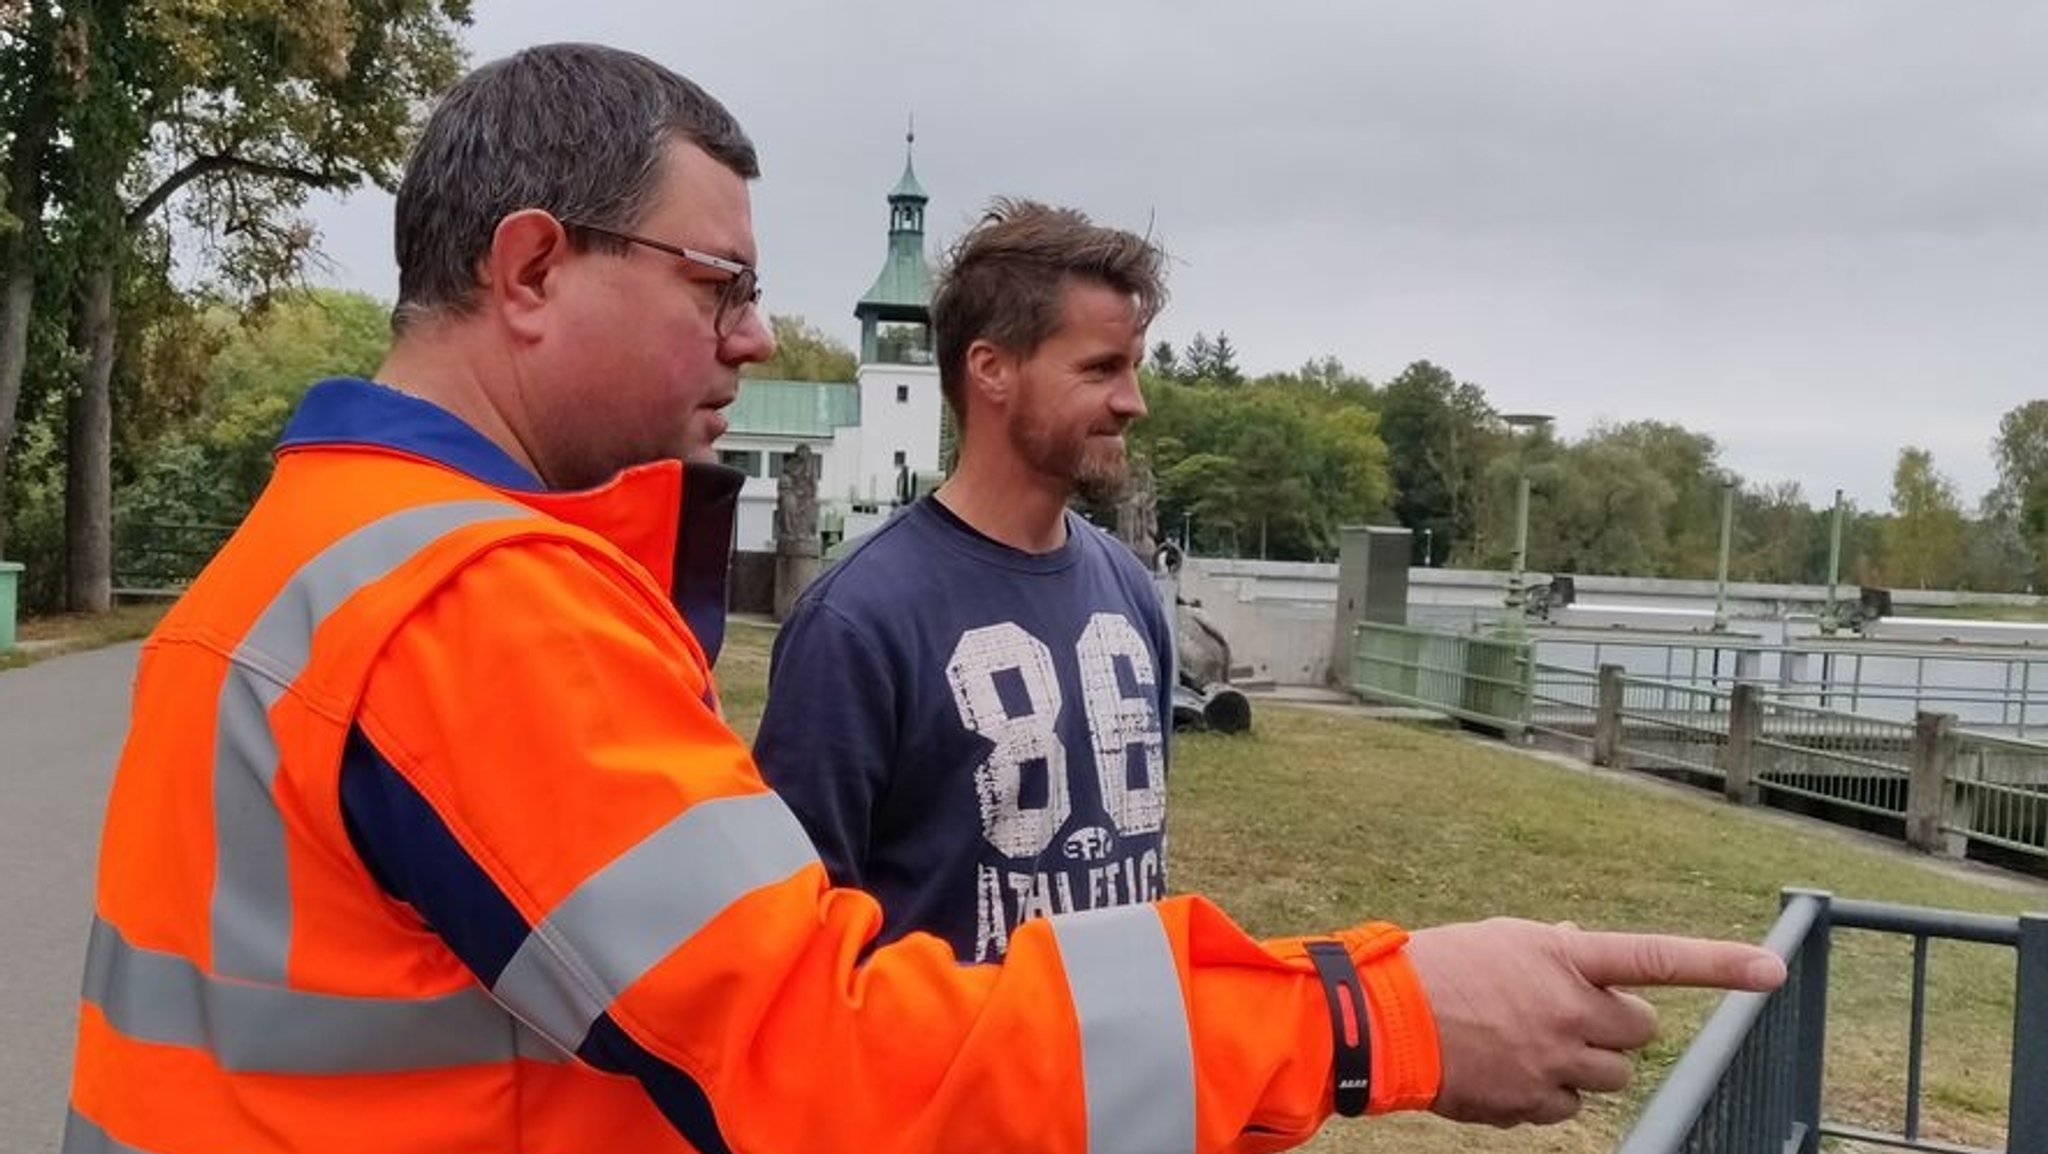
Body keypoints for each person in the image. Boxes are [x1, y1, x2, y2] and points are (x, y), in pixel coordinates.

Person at [65, 42, 1785, 1154]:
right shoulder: (466, 600)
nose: (752, 334)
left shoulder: (301, 553)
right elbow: (822, 1045)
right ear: (529, 268)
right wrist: (1362, 1010)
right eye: (717, 285)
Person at [755, 200, 1178, 965]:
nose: (1132, 401)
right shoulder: (856, 623)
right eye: (1100, 369)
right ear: (992, 370)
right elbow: (796, 949)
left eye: (1133, 368)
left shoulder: (1130, 592)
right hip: (939, 1084)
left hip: (1111, 1078)